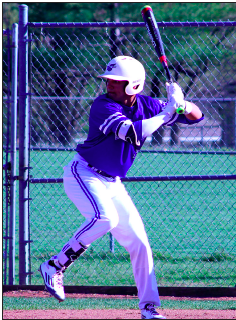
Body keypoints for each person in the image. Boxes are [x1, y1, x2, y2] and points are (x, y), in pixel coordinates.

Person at [39, 56, 204, 319]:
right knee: (106, 218)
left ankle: (149, 308)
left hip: (112, 182)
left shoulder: (147, 105)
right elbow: (132, 132)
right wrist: (166, 113)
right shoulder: (102, 105)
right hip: (83, 173)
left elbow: (197, 117)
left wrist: (182, 104)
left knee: (140, 243)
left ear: (134, 86)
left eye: (117, 82)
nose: (109, 85)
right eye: (109, 81)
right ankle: (54, 266)